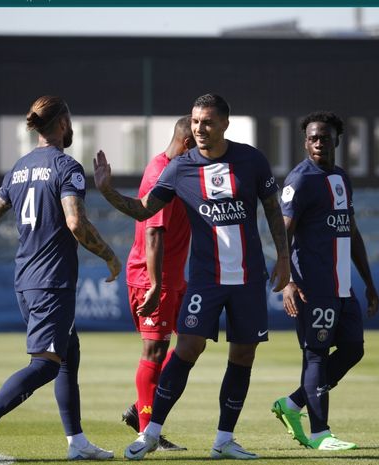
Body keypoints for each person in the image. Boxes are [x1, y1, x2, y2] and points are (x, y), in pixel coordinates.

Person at [94, 93, 290, 461]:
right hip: (205, 279)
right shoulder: (179, 167)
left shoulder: (251, 160)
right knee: (186, 349)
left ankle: (224, 440)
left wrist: (283, 257)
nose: (200, 128)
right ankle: (150, 433)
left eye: (209, 122)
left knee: (243, 356)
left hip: (248, 278)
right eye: (196, 122)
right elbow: (144, 211)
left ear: (225, 125)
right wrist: (107, 191)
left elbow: (272, 210)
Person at [0, 95, 121, 462]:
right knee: (46, 364)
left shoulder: (18, 169)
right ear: (63, 123)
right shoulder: (67, 167)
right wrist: (111, 257)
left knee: (68, 353)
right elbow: (76, 222)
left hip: (27, 278)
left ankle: (77, 441)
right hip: (51, 280)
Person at [271, 111, 379, 451]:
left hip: (342, 285)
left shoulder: (342, 178)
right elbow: (282, 232)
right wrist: (287, 281)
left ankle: (292, 404)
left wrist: (369, 281)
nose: (319, 142)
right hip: (312, 285)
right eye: (313, 137)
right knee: (316, 354)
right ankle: (320, 434)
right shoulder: (299, 180)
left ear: (337, 140)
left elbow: (351, 229)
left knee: (352, 349)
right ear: (306, 142)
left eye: (325, 137)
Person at [120, 116, 195, 452]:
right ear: (189, 144)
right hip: (154, 279)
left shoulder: (182, 171)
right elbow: (153, 233)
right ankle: (147, 430)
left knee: (191, 344)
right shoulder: (159, 173)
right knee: (154, 350)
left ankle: (141, 408)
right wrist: (154, 285)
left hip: (175, 278)